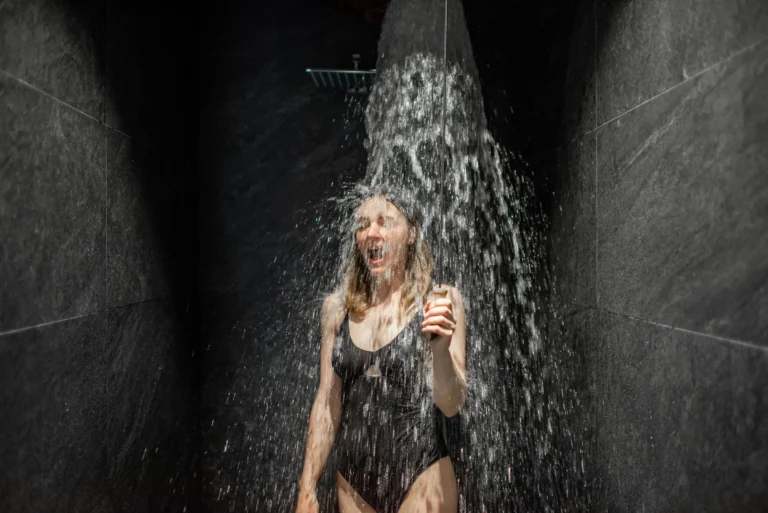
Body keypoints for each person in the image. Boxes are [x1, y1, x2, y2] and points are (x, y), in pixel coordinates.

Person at [295, 189, 467, 513]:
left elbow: (451, 404)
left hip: (422, 475)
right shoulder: (337, 310)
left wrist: (441, 350)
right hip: (353, 483)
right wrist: (308, 486)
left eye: (384, 222)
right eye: (362, 224)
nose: (371, 232)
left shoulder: (439, 302)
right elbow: (327, 404)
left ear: (411, 232)